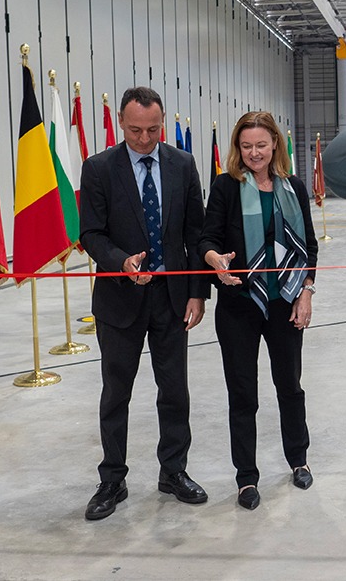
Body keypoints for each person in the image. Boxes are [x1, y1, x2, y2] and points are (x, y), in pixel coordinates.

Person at [79, 86, 210, 520]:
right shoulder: (99, 168)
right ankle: (112, 479)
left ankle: (173, 471)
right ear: (121, 121)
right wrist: (121, 262)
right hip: (120, 298)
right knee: (116, 392)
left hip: (172, 298)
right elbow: (90, 233)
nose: (144, 138)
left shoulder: (182, 164)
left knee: (174, 391)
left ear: (162, 122)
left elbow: (195, 234)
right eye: (135, 130)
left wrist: (197, 292)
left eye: (153, 130)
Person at [200, 111, 318, 510]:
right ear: (238, 147)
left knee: (290, 386)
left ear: (275, 146)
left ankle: (298, 459)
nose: (254, 153)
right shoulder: (225, 187)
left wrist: (306, 292)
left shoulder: (293, 187)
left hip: (286, 302)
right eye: (247, 146)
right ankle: (246, 478)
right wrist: (215, 260)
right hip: (239, 305)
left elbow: (309, 246)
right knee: (242, 394)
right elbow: (208, 239)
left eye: (261, 145)